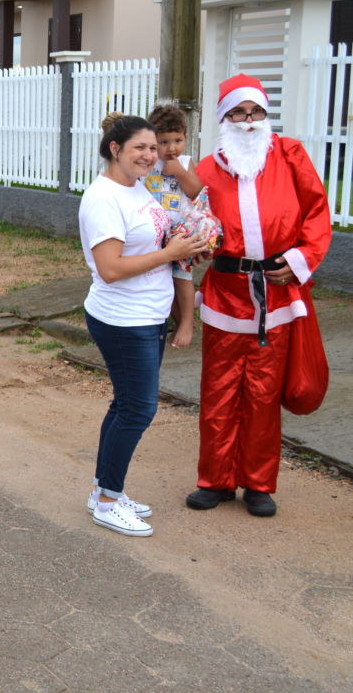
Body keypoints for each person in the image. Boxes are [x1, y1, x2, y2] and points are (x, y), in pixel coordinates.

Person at [186, 74, 332, 517]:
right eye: (238, 113)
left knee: (264, 393)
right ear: (223, 118)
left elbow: (316, 211)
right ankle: (214, 479)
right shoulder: (207, 170)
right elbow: (189, 221)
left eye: (256, 113)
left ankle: (258, 483)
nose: (248, 122)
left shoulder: (290, 156)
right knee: (218, 390)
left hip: (278, 292)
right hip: (226, 294)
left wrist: (303, 259)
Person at [79, 113, 210, 537]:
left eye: (154, 148)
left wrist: (189, 246)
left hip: (148, 315)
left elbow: (157, 240)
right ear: (115, 149)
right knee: (138, 409)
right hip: (123, 319)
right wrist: (171, 253)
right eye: (140, 147)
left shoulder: (137, 188)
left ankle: (104, 489)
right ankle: (108, 502)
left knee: (124, 406)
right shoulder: (103, 198)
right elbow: (111, 268)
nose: (151, 155)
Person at [143, 104, 203, 349]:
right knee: (161, 278)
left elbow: (196, 191)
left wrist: (180, 172)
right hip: (155, 232)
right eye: (164, 142)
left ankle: (187, 321)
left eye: (177, 140)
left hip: (180, 232)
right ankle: (175, 320)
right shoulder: (147, 163)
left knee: (182, 278)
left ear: (185, 138)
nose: (171, 148)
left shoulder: (185, 162)